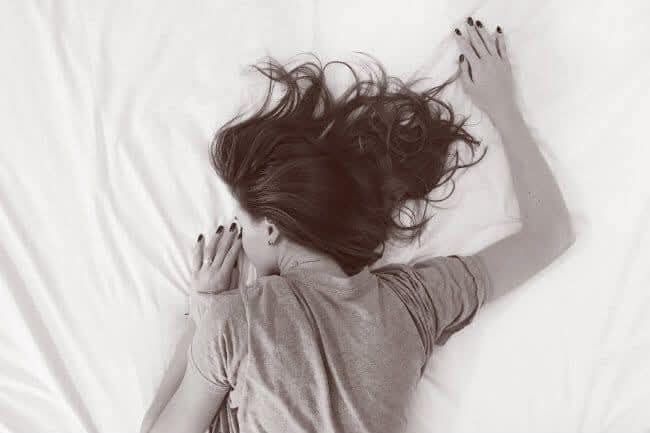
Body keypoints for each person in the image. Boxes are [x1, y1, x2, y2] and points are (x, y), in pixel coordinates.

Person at [141, 16, 575, 433]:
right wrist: (503, 107)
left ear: (271, 229)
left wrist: (203, 308)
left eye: (242, 223)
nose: (238, 236)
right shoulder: (413, 304)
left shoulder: (234, 321)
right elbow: (550, 233)